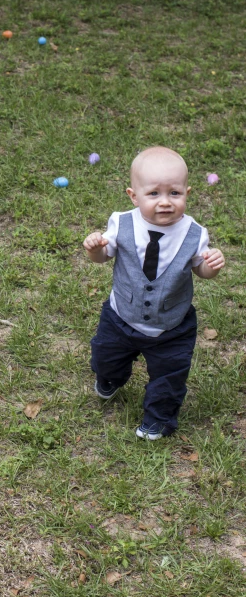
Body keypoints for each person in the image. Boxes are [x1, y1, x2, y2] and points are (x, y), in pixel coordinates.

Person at [83, 146, 225, 440]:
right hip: (121, 317)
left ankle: (159, 418)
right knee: (105, 357)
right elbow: (103, 256)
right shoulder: (121, 222)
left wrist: (211, 266)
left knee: (170, 377)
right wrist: (95, 250)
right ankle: (111, 376)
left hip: (172, 327)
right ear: (133, 196)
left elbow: (201, 271)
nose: (165, 202)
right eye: (153, 194)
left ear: (187, 192)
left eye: (174, 193)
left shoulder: (195, 233)